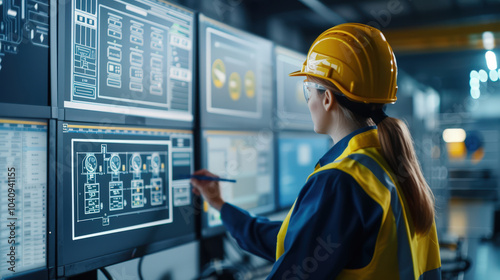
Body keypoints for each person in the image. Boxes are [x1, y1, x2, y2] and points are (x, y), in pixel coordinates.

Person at [191, 23, 441, 279]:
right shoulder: (390, 164)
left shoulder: (342, 180)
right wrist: (220, 205)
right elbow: (301, 241)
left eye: (307, 90)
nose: (308, 101)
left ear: (328, 98)